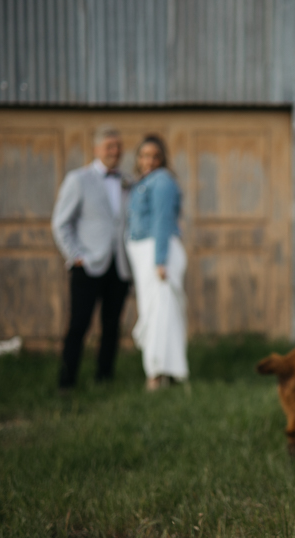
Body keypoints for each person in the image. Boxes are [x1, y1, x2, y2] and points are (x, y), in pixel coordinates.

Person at [52, 125, 131, 390]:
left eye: (118, 147)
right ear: (96, 149)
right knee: (79, 324)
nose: (115, 152)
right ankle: (67, 380)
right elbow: (61, 223)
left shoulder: (126, 182)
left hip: (119, 266)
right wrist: (76, 256)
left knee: (112, 326)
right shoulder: (78, 179)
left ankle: (104, 376)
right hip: (88, 265)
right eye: (109, 146)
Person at [126, 135, 189, 390]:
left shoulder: (162, 182)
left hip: (158, 255)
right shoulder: (144, 182)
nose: (148, 161)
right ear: (138, 159)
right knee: (159, 312)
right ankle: (167, 372)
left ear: (162, 159)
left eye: (154, 156)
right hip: (148, 254)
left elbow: (162, 222)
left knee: (160, 313)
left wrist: (160, 261)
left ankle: (157, 373)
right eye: (144, 156)